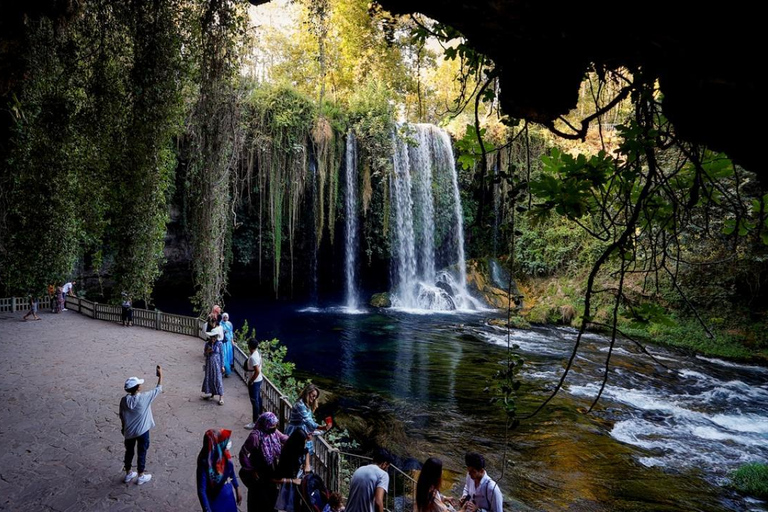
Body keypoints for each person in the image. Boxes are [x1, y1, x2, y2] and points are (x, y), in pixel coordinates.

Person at [119, 365, 164, 485]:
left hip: (129, 431)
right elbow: (158, 389)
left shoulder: (124, 400)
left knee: (129, 452)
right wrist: (161, 375)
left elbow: (122, 415)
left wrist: (123, 428)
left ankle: (128, 473)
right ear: (138, 388)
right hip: (143, 431)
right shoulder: (144, 397)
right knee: (142, 451)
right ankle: (141, 475)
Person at [239, 412, 289, 512]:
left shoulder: (273, 432)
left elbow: (283, 438)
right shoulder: (255, 436)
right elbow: (243, 453)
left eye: (275, 426)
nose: (274, 428)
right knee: (258, 501)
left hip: (270, 472)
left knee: (271, 501)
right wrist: (251, 470)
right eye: (272, 426)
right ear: (265, 425)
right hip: (258, 473)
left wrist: (296, 440)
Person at [285, 384, 332, 466]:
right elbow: (307, 421)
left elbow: (308, 421)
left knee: (302, 454)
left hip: (302, 430)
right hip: (295, 432)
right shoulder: (300, 405)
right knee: (295, 454)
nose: (314, 398)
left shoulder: (305, 404)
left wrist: (322, 429)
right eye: (313, 395)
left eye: (315, 397)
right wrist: (322, 427)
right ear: (307, 393)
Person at [196, 429, 242, 512]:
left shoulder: (224, 455)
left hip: (229, 499)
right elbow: (201, 490)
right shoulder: (204, 463)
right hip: (216, 503)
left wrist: (237, 487)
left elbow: (231, 472)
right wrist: (207, 509)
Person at [273, 429, 311, 512]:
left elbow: (306, 451)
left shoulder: (300, 449)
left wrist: (307, 464)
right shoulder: (287, 458)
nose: (305, 445)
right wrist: (292, 481)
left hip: (301, 484)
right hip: (291, 488)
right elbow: (275, 479)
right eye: (304, 443)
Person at [346, 448, 392, 512]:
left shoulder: (359, 469)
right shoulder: (383, 474)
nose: (386, 469)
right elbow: (378, 502)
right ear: (384, 464)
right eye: (387, 466)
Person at [203, 319, 225, 405]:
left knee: (218, 379)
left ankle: (221, 396)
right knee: (210, 378)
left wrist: (222, 366)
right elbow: (204, 354)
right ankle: (212, 394)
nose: (213, 339)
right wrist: (207, 352)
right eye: (212, 337)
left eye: (215, 337)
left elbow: (222, 355)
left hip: (217, 363)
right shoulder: (207, 344)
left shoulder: (219, 344)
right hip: (209, 363)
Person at [244, 338, 264, 430]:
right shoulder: (257, 353)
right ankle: (260, 416)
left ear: (249, 346)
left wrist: (251, 380)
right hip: (259, 379)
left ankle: (255, 422)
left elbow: (256, 371)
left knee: (254, 400)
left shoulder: (253, 358)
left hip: (255, 381)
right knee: (258, 398)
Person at [220, 313, 234, 377]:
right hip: (223, 342)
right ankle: (224, 368)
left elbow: (231, 332)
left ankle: (228, 368)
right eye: (224, 317)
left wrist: (232, 340)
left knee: (228, 354)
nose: (225, 318)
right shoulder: (220, 324)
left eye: (226, 317)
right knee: (224, 355)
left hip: (228, 342)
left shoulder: (229, 324)